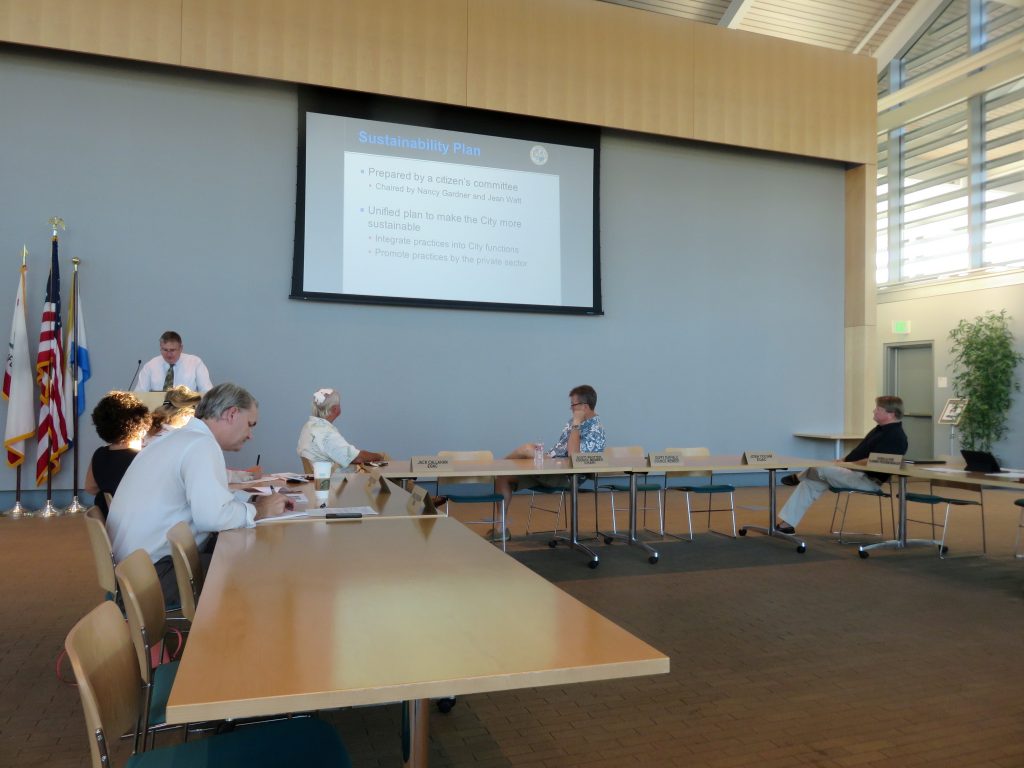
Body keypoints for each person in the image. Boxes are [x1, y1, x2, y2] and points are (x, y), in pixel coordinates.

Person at [107, 382, 292, 606]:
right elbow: (212, 517)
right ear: (232, 414)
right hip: (153, 578)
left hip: (134, 573)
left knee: (243, 553)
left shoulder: (175, 439)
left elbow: (208, 499)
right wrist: (260, 510)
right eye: (250, 425)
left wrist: (252, 501)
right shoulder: (200, 444)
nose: (250, 435)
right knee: (261, 567)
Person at [775, 395, 908, 533]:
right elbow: (859, 453)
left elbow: (875, 462)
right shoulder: (879, 429)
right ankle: (787, 525)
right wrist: (842, 461)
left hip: (867, 480)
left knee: (821, 468)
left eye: (878, 409)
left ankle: (798, 476)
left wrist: (847, 464)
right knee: (810, 482)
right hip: (854, 473)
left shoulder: (896, 436)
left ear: (891, 414)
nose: (874, 411)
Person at [492, 385, 606, 537]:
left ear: (584, 407)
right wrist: (544, 456)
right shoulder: (573, 421)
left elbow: (574, 457)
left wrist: (576, 424)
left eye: (573, 405)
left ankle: (494, 467)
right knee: (504, 475)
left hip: (567, 475)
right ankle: (500, 529)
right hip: (553, 466)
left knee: (524, 451)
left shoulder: (595, 429)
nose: (571, 408)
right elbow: (559, 449)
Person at [84, 392, 152, 520]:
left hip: (110, 523)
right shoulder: (144, 457)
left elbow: (90, 487)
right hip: (136, 526)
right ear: (141, 424)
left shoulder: (99, 454)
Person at [296, 388, 385, 469]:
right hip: (331, 482)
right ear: (335, 409)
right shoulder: (326, 434)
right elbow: (357, 458)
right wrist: (379, 456)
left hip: (320, 479)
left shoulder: (308, 426)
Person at [135, 330, 213, 393]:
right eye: (165, 350)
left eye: (172, 350)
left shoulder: (195, 363)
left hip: (187, 410)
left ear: (181, 348)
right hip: (157, 411)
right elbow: (139, 395)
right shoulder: (150, 366)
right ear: (160, 348)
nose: (168, 354)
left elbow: (207, 392)